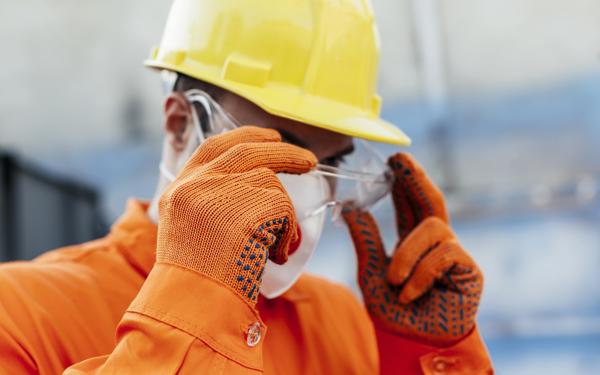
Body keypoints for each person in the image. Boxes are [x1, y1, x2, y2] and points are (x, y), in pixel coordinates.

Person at [0, 0, 493, 373]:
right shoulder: (21, 316)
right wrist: (192, 314)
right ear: (178, 126)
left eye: (330, 166)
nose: (310, 194)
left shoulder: (345, 324)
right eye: (279, 149)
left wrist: (425, 358)